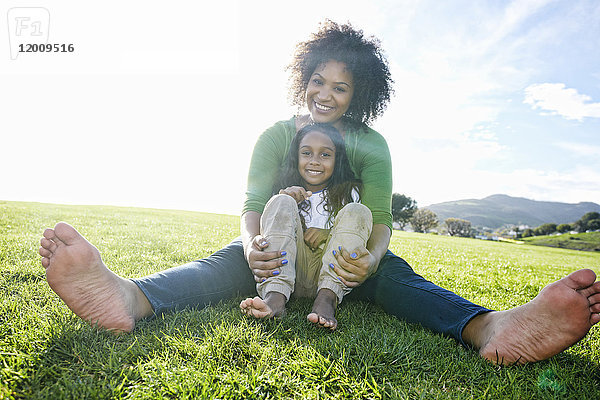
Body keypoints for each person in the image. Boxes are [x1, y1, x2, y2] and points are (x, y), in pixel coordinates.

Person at [38, 20, 600, 365]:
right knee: (227, 263)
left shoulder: (372, 145)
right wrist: (254, 245)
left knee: (396, 276)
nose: (325, 94)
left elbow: (377, 219)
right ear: (301, 79)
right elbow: (252, 208)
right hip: (278, 254)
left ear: (360, 94)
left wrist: (371, 259)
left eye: (340, 86)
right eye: (317, 82)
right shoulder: (276, 135)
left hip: (346, 257)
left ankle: (490, 327)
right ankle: (128, 298)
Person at [240, 123, 369, 330]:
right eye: (307, 153)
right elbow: (276, 231)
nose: (315, 161)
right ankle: (275, 296)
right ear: (296, 157)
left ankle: (326, 300)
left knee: (359, 211)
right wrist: (285, 198)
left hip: (329, 271)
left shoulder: (349, 191)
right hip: (290, 269)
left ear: (337, 160)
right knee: (280, 202)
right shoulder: (285, 190)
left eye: (325, 155)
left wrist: (327, 234)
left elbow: (353, 233)